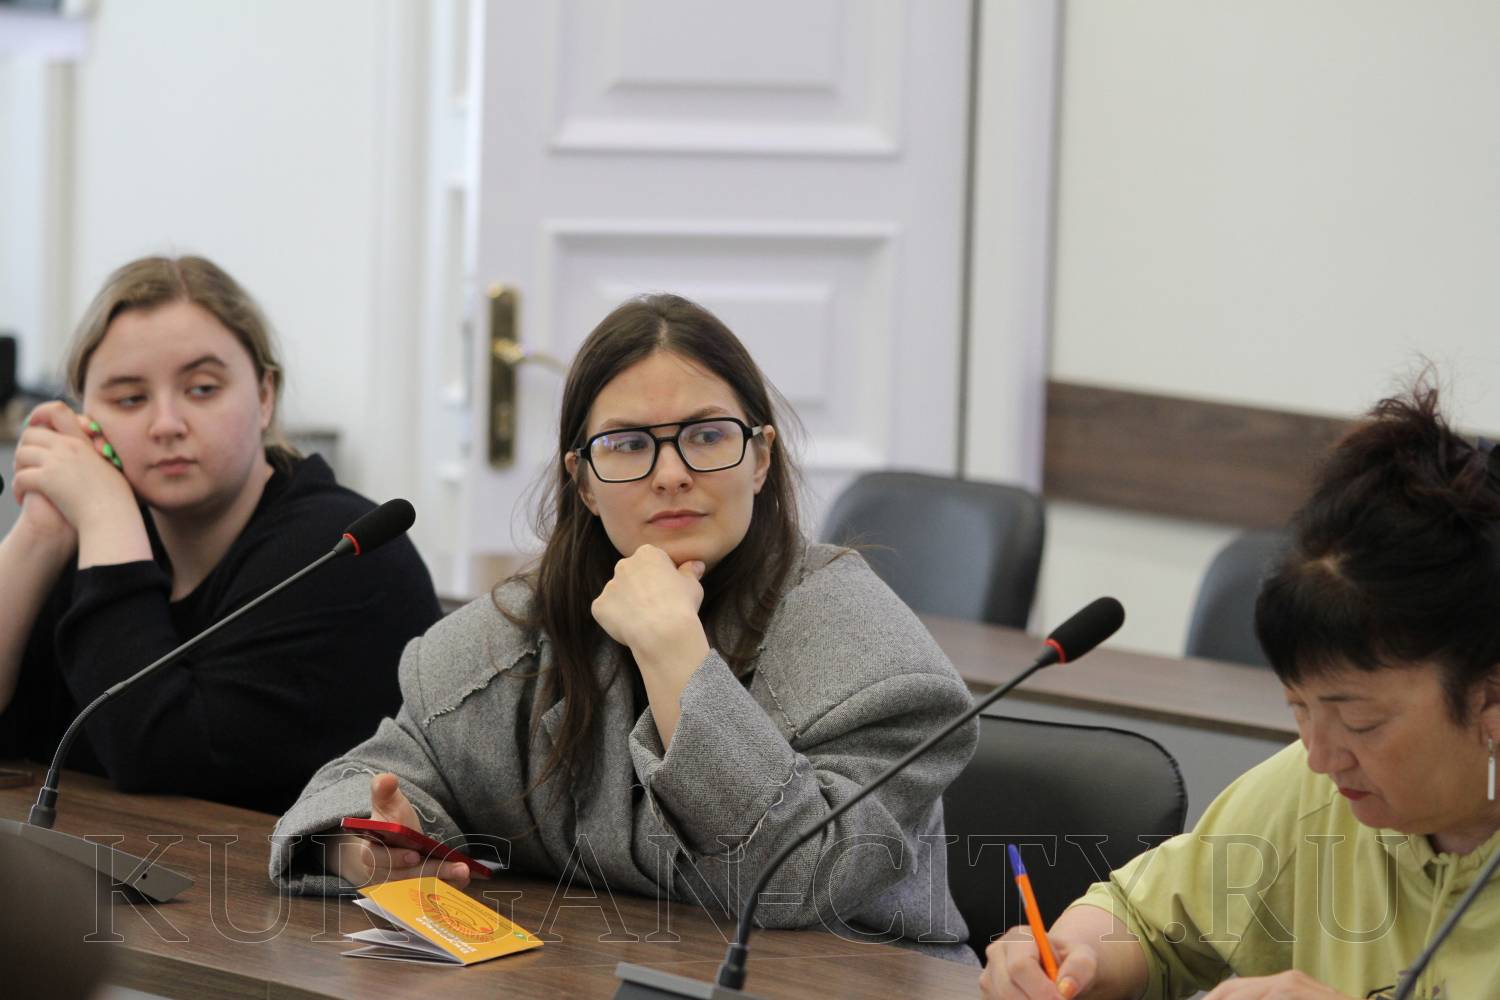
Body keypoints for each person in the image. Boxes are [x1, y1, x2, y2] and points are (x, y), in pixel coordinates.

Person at [269, 293, 979, 961]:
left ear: (761, 459)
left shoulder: (870, 656)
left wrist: (674, 653)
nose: (670, 474)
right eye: (629, 444)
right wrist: (366, 849)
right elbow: (365, 779)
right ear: (582, 480)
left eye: (707, 436)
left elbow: (793, 879)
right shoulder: (514, 638)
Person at [980, 384, 1500, 1000]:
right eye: (1299, 708)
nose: (1320, 757)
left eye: (1361, 722)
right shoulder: (1313, 796)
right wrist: (1073, 955)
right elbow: (1146, 920)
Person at [0, 255, 441, 814]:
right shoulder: (99, 534)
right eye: (130, 399)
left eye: (203, 389)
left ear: (264, 396)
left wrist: (104, 510)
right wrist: (41, 532)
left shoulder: (343, 552)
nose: (167, 424)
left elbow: (155, 754)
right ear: (86, 418)